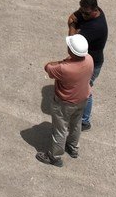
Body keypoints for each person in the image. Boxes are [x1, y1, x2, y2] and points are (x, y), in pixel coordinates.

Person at [37, 34, 93, 167]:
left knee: (60, 129)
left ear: (71, 51)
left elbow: (48, 67)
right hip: (83, 98)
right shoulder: (89, 59)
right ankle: (73, 148)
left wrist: (60, 62)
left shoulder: (64, 68)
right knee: (76, 123)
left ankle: (54, 156)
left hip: (65, 103)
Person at [68, 0, 108, 130]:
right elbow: (73, 15)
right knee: (80, 88)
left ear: (95, 10)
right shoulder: (90, 11)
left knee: (86, 91)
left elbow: (72, 45)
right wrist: (76, 21)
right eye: (82, 11)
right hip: (85, 60)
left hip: (91, 64)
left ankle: (85, 121)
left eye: (86, 13)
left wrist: (72, 25)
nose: (83, 15)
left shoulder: (97, 27)